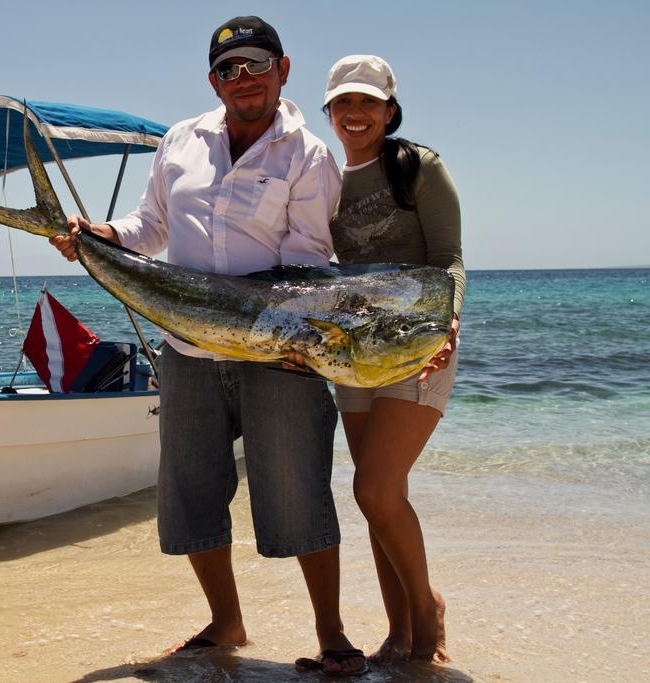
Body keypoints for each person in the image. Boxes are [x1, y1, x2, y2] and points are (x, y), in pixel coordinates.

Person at [52, 16, 367, 678]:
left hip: (279, 352)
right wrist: (94, 232)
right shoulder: (180, 140)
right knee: (193, 492)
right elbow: (150, 228)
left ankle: (332, 633)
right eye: (229, 70)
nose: (243, 80)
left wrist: (269, 329)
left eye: (256, 66)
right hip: (187, 350)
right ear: (213, 82)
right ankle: (227, 622)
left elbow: (305, 264)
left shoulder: (308, 156)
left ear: (284, 71)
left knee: (298, 488)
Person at [306, 54, 466, 664]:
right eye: (344, 103)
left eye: (368, 102)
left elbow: (449, 257)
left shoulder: (417, 167)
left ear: (389, 110)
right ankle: (396, 634)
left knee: (373, 487)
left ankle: (427, 616)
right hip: (354, 354)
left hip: (421, 345)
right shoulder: (323, 179)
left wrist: (448, 325)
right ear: (329, 111)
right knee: (379, 492)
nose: (355, 113)